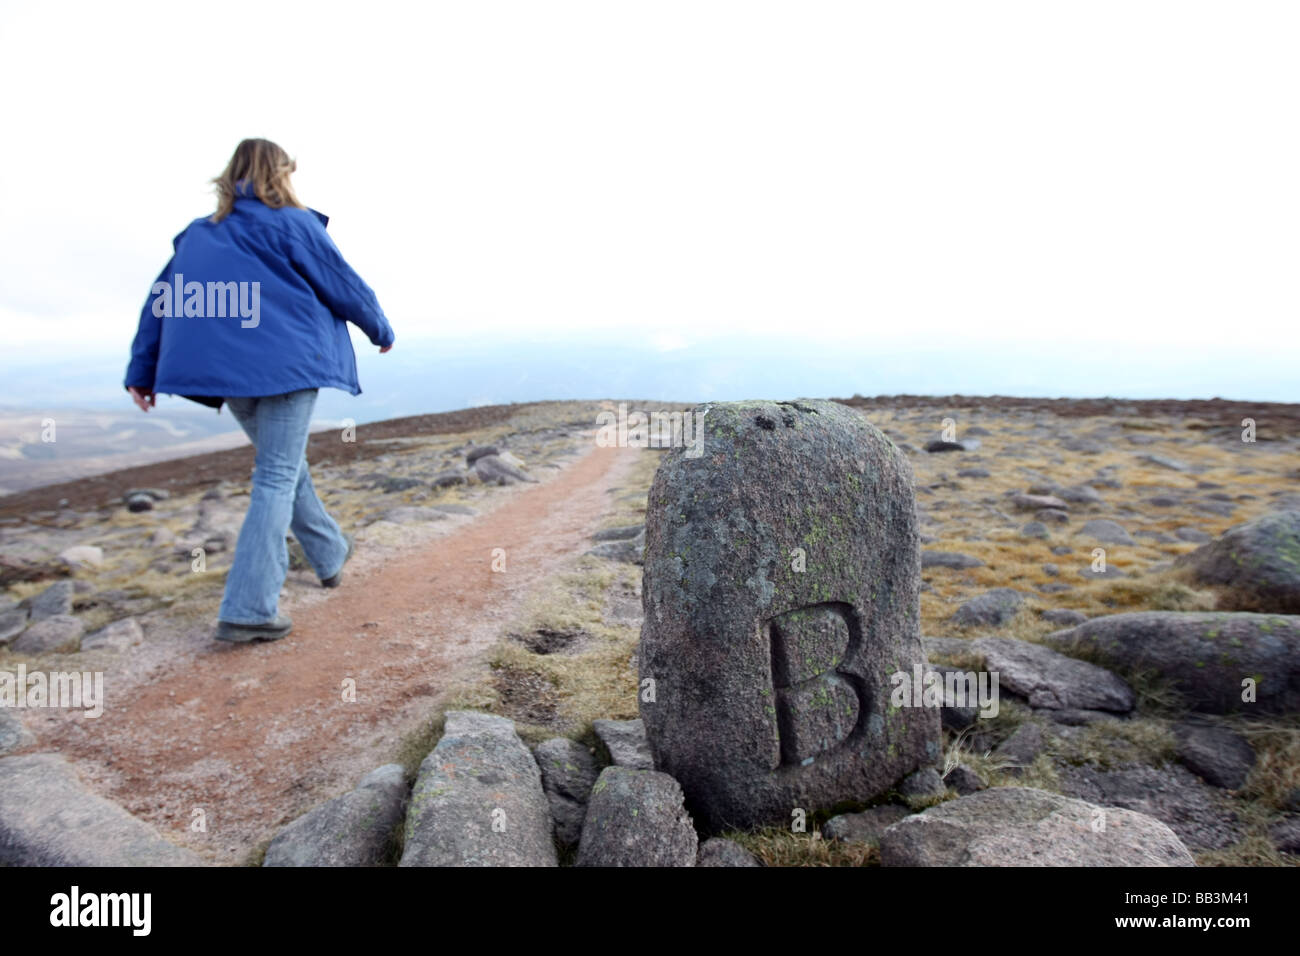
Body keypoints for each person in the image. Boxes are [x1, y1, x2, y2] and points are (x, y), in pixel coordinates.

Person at [124, 138, 395, 643]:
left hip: (228, 376)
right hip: (287, 366)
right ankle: (249, 607)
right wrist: (379, 328)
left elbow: (160, 301)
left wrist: (141, 369)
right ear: (281, 174)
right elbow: (343, 283)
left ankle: (330, 551)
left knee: (285, 466)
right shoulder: (292, 223)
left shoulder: (199, 237)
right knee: (275, 473)